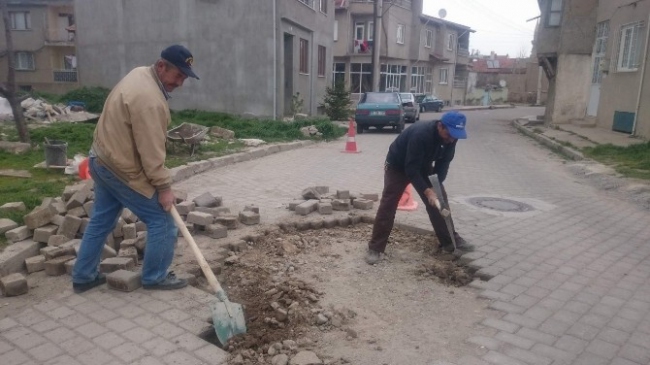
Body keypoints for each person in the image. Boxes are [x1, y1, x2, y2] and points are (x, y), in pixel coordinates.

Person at [72, 45, 199, 293]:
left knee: (101, 219)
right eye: (177, 75)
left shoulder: (140, 73)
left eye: (184, 77)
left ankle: (83, 276)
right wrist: (163, 188)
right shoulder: (150, 100)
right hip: (119, 168)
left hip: (100, 158)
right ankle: (155, 277)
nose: (180, 83)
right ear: (162, 66)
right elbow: (151, 152)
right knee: (162, 220)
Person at [366, 111, 472, 265]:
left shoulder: (451, 138)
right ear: (440, 126)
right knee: (388, 204)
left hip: (422, 165)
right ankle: (375, 248)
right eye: (450, 134)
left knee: (440, 201)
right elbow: (411, 170)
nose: (452, 139)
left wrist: (435, 188)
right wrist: (427, 191)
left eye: (456, 135)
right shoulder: (421, 134)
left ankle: (449, 241)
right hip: (398, 166)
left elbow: (443, 165)